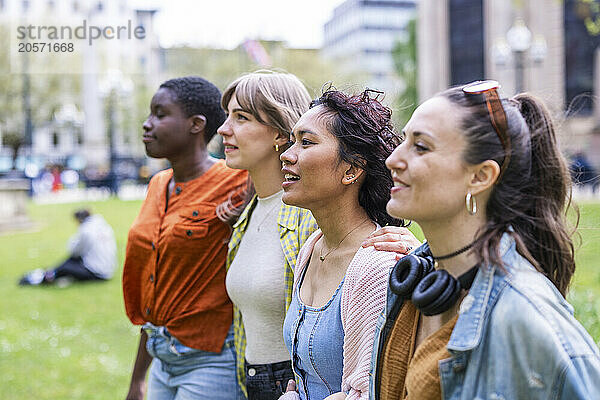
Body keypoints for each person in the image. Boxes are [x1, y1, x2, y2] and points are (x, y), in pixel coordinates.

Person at [374, 80, 600, 399]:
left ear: (480, 177)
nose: (393, 160)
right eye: (403, 141)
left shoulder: (526, 313)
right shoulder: (410, 286)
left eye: (420, 147)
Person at [279, 88, 421, 400]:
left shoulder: (379, 265)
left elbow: (370, 393)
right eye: (292, 141)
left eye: (306, 142)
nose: (287, 154)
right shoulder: (312, 249)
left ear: (351, 170)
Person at [122, 76, 248, 400]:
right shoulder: (158, 184)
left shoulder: (238, 181)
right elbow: (156, 288)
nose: (147, 124)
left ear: (196, 124)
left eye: (160, 114)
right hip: (162, 358)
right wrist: (138, 378)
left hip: (211, 362)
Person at [217, 70, 318, 400]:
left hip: (294, 385)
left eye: (241, 117)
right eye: (227, 116)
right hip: (251, 382)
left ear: (279, 131)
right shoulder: (249, 214)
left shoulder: (309, 217)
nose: (223, 129)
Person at [18, 208, 116, 286]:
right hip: (108, 268)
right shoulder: (103, 225)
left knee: (65, 267)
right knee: (67, 264)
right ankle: (46, 273)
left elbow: (74, 251)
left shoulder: (86, 230)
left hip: (97, 272)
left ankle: (41, 278)